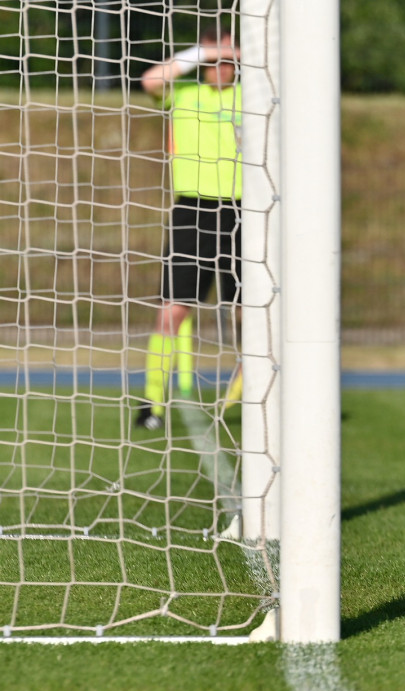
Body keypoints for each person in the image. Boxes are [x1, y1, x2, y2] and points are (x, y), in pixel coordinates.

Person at [135, 20, 242, 430]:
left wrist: (234, 52)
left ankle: (240, 402)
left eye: (228, 59)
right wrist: (203, 53)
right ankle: (151, 404)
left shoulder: (253, 96)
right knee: (172, 312)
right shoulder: (183, 94)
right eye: (214, 59)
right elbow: (149, 80)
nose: (221, 68)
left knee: (248, 316)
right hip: (192, 214)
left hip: (243, 214)